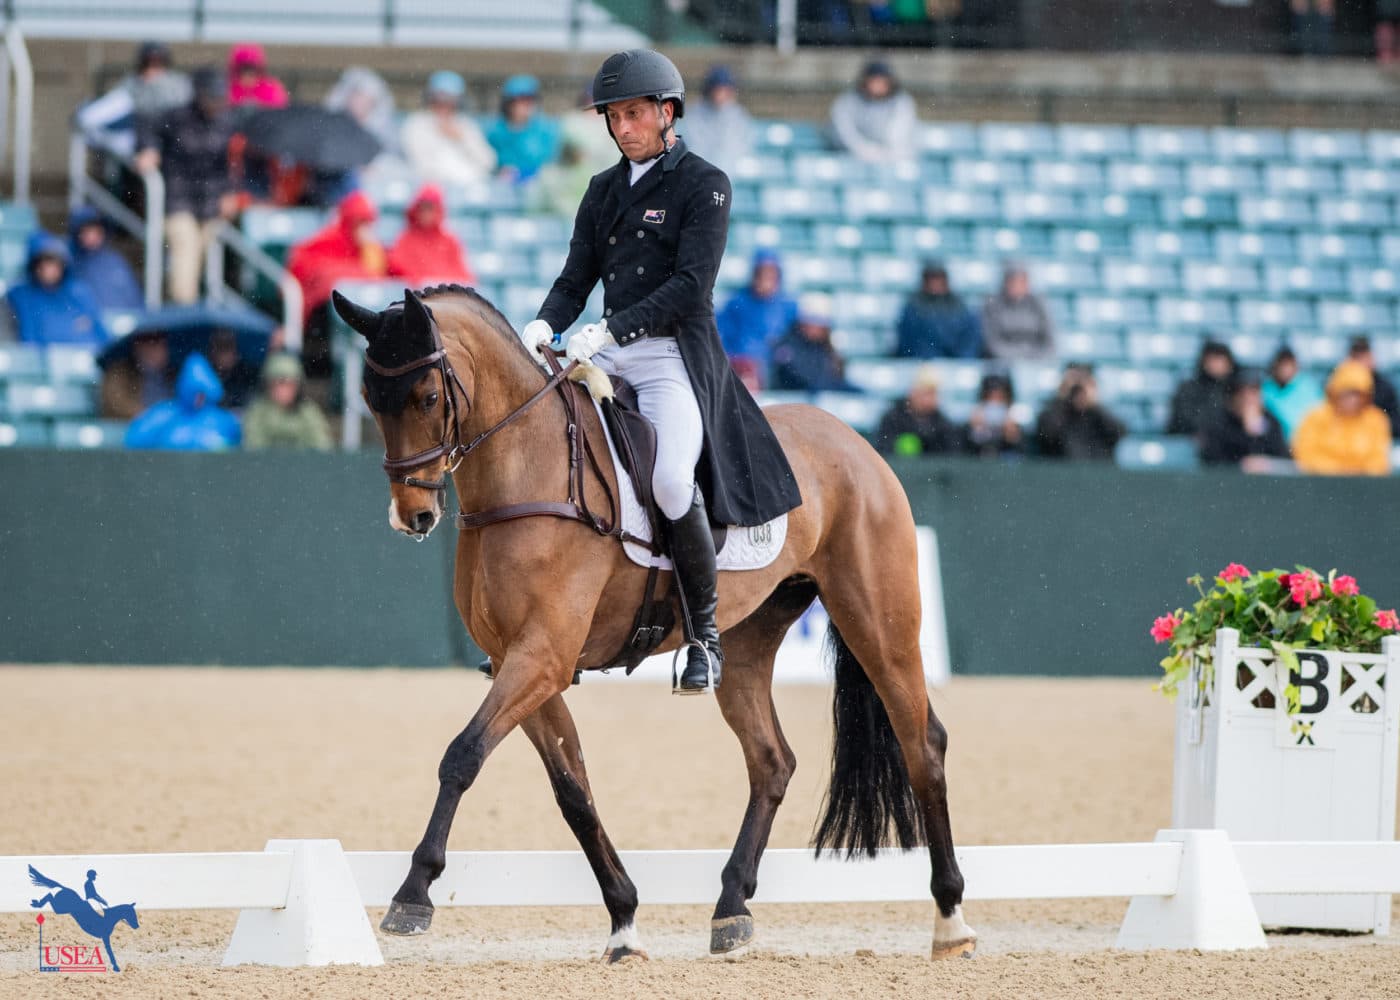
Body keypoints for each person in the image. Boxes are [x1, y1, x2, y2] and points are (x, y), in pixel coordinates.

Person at [522, 49, 801, 693]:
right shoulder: (601, 190)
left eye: (635, 113)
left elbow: (690, 286)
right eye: (614, 116)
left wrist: (608, 329)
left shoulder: (705, 183)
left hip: (672, 354)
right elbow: (576, 279)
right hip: (607, 349)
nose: (623, 127)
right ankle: (544, 626)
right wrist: (543, 323)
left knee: (673, 482)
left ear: (667, 112)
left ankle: (703, 635)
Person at [135, 68, 239, 305]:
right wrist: (148, 150)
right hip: (178, 200)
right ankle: (184, 313)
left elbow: (230, 164)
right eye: (211, 97)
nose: (216, 102)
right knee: (185, 246)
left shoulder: (226, 122)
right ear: (199, 95)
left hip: (211, 204)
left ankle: (200, 311)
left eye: (219, 97)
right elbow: (146, 129)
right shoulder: (176, 117)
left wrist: (231, 192)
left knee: (207, 255)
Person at [287, 190, 387, 376]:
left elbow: (378, 278)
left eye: (367, 223)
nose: (364, 228)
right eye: (359, 222)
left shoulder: (370, 250)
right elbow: (306, 267)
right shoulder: (329, 240)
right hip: (323, 324)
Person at [74, 40, 192, 157]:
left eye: (157, 63)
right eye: (147, 63)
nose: (151, 69)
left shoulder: (178, 84)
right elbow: (90, 117)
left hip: (172, 140)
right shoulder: (131, 84)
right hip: (137, 139)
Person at [3, 232, 108, 347]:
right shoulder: (20, 296)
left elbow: (102, 336)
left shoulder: (79, 293)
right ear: (34, 265)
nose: (49, 270)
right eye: (44, 263)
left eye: (54, 264)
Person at [1293, 359, 1392, 475]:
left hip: (1364, 487)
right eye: (1347, 393)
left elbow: (1380, 460)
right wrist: (1338, 470)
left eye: (1357, 394)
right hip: (1322, 484)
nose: (1352, 400)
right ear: (1335, 392)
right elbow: (1305, 455)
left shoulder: (1376, 420)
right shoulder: (1315, 417)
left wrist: (1358, 472)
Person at [124, 352, 241, 451]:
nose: (198, 399)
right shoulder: (165, 414)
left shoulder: (221, 419)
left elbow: (236, 446)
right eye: (195, 393)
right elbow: (134, 439)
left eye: (202, 394)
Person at [400, 71, 497, 188]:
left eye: (450, 99)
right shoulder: (417, 124)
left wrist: (461, 139)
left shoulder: (466, 125)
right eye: (439, 98)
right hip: (432, 189)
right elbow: (421, 165)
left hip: (469, 189)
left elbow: (488, 162)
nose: (444, 104)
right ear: (430, 98)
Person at [715, 248, 797, 386]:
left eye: (771, 274)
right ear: (754, 275)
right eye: (762, 273)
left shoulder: (789, 306)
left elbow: (794, 345)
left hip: (775, 373)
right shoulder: (736, 302)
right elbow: (723, 339)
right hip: (741, 369)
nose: (766, 279)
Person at [829, 59, 918, 164]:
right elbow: (844, 131)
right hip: (855, 157)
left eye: (881, 81)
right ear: (865, 81)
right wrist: (863, 149)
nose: (877, 85)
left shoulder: (902, 102)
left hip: (893, 157)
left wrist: (884, 153)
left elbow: (899, 134)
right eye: (874, 81)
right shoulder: (847, 101)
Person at [1200, 372, 1292, 470]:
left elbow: (1284, 458)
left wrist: (1256, 430)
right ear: (1231, 398)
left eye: (1253, 392)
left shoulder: (1272, 421)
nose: (1248, 399)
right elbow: (1212, 460)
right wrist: (1241, 463)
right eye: (1242, 394)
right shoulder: (1219, 423)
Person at [242, 352, 333, 450]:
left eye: (289, 384)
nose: (283, 390)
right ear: (268, 385)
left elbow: (322, 447)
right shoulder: (258, 412)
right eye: (279, 383)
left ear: (298, 386)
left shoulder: (308, 412)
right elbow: (253, 448)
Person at [387, 184, 476, 285]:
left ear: (438, 210)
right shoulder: (405, 239)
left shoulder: (449, 240)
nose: (426, 213)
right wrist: (419, 281)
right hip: (416, 297)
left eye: (430, 208)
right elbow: (396, 268)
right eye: (422, 208)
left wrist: (440, 284)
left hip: (444, 298)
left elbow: (464, 276)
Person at [769, 293, 858, 393]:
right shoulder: (788, 346)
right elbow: (804, 380)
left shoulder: (827, 348)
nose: (816, 327)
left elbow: (836, 379)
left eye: (820, 322)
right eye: (812, 320)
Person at [1034, 365, 1125, 461]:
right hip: (1062, 472)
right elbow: (1047, 434)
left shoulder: (1099, 415)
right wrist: (1063, 397)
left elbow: (1118, 433)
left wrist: (1094, 402)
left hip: (1098, 472)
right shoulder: (1055, 413)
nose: (1078, 392)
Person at [893, 261, 980, 360]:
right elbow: (908, 343)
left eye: (938, 279)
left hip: (955, 364)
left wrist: (959, 361)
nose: (935, 284)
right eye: (931, 279)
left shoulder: (960, 308)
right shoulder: (912, 309)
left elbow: (968, 340)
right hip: (922, 364)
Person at [874, 366, 965, 456]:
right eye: (926, 393)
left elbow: (952, 456)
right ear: (913, 392)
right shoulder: (892, 419)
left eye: (933, 394)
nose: (929, 400)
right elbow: (883, 451)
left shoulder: (944, 425)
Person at [486, 74, 561, 183]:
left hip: (539, 186)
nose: (525, 106)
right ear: (508, 104)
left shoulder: (547, 130)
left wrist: (525, 174)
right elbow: (489, 162)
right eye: (519, 101)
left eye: (529, 100)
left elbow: (552, 164)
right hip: (504, 188)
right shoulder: (495, 132)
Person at [67, 206, 143, 311]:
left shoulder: (116, 261)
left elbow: (136, 300)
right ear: (77, 234)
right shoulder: (69, 264)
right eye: (86, 231)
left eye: (96, 230)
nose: (92, 236)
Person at [680, 65, 753, 174]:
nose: (720, 95)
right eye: (717, 90)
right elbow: (692, 148)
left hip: (729, 173)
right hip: (700, 172)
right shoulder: (694, 115)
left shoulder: (738, 116)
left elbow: (742, 149)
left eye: (724, 90)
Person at [981, 263, 1054, 360]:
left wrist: (1034, 357)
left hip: (1036, 361)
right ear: (1005, 282)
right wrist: (1017, 357)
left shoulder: (1039, 304)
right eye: (1013, 281)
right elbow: (992, 344)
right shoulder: (993, 305)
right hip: (1002, 365)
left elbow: (1050, 342)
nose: (1017, 285)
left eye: (1022, 281)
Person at [324, 66, 400, 160]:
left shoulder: (383, 130)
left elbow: (391, 156)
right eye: (357, 96)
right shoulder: (332, 127)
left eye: (366, 99)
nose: (360, 103)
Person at [1167, 340, 1236, 438]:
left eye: (1220, 359)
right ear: (1203, 361)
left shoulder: (1235, 389)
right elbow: (1182, 420)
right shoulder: (1188, 388)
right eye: (1213, 359)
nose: (1216, 364)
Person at [100, 329, 175, 419]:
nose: (159, 351)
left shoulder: (173, 373)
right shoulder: (120, 372)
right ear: (139, 348)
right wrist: (150, 415)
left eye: (163, 345)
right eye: (152, 345)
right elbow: (115, 403)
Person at [1261, 345, 1322, 441]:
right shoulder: (1265, 389)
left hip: (1305, 441)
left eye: (1288, 365)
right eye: (1281, 365)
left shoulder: (1308, 387)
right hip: (1275, 442)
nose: (1284, 370)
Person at [1346, 336, 1400, 438]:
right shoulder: (1340, 388)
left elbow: (1396, 425)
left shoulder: (1385, 388)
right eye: (1357, 358)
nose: (1361, 363)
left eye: (1364, 357)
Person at [964, 372, 1023, 458]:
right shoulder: (970, 425)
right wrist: (974, 432)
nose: (994, 404)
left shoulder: (1015, 426)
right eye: (990, 398)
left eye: (1000, 398)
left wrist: (1012, 436)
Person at [207, 329, 261, 409]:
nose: (224, 355)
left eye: (228, 347)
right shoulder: (204, 376)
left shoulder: (249, 376)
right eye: (220, 348)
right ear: (212, 352)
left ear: (236, 352)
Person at [226, 43, 288, 109]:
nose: (247, 76)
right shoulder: (226, 89)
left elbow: (280, 110)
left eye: (252, 70)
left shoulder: (271, 89)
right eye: (242, 70)